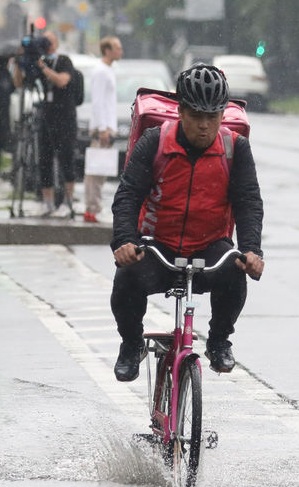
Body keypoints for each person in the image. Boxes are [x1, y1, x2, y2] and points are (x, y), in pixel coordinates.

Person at [108, 65, 265, 381]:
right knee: (127, 279)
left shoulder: (236, 149)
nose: (205, 126)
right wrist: (125, 240)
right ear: (180, 112)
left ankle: (220, 340)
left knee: (235, 275)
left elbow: (248, 203)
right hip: (158, 246)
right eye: (196, 116)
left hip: (209, 246)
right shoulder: (154, 143)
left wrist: (251, 251)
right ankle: (130, 344)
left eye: (213, 116)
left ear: (223, 114)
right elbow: (128, 195)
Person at [14, 31, 77, 218]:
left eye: (49, 41)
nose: (46, 44)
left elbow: (62, 81)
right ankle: (47, 203)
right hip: (46, 117)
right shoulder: (36, 61)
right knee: (45, 161)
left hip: (65, 118)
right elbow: (19, 84)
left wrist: (43, 68)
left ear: (56, 44)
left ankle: (67, 202)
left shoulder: (63, 61)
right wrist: (19, 63)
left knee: (66, 160)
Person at [84, 36, 122, 224]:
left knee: (101, 169)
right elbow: (98, 101)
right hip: (103, 128)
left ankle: (94, 207)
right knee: (96, 170)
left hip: (107, 126)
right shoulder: (101, 71)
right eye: (117, 48)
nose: (120, 51)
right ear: (107, 50)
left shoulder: (107, 70)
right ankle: (92, 208)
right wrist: (102, 129)